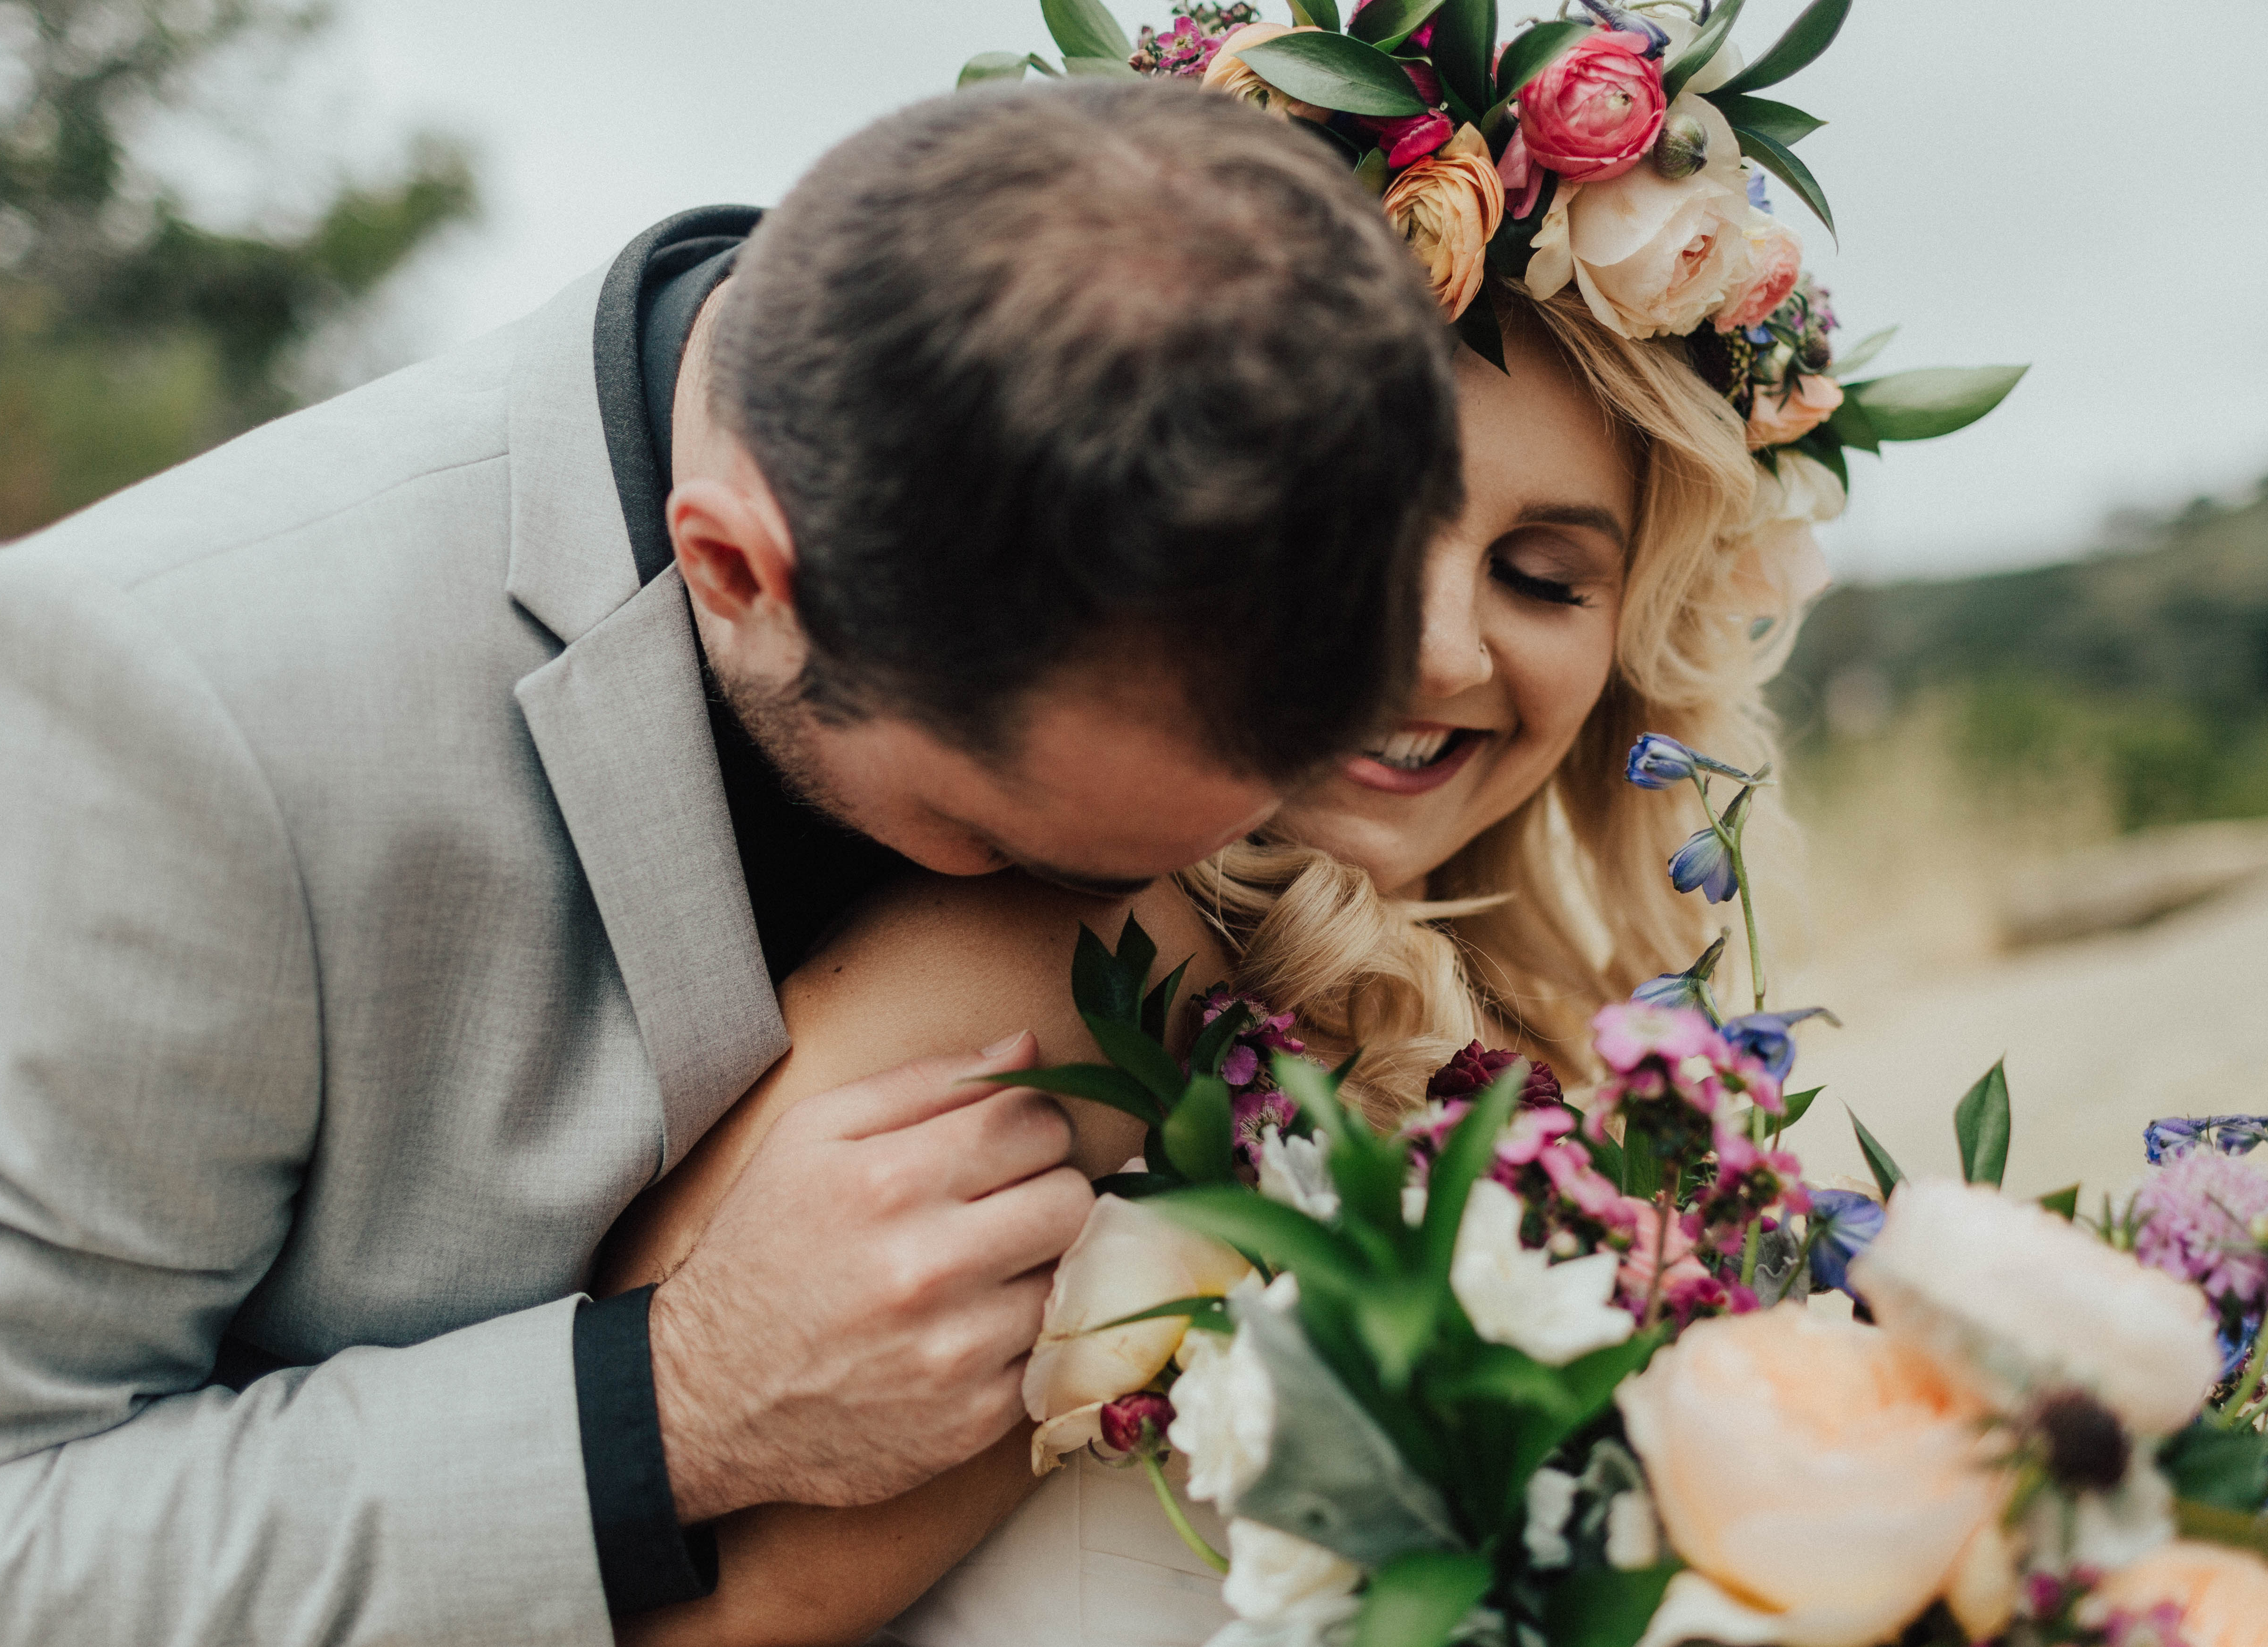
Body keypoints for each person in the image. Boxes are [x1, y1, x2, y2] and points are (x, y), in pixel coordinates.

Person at [0, 83, 1462, 1645]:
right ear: (735, 568)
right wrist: (677, 1393)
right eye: (999, 843)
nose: (1108, 909)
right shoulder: (164, 698)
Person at [595, 265, 1823, 1645]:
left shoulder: (1540, 1013)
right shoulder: (1073, 976)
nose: (1437, 647)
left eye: (1542, 576)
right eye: (1346, 539)